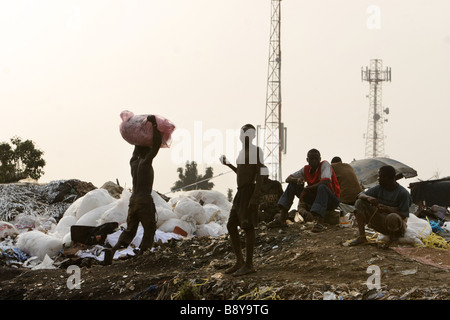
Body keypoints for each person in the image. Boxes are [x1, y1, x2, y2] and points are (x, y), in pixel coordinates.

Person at [104, 115, 162, 265]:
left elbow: (137, 147)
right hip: (144, 199)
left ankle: (113, 250)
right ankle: (144, 254)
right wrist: (154, 125)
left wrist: (139, 136)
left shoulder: (134, 162)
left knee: (130, 230)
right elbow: (156, 145)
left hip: (133, 199)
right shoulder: (146, 162)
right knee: (149, 229)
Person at [220, 124, 264, 276]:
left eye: (246, 133)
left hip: (249, 192)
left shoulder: (256, 151)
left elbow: (261, 173)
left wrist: (255, 196)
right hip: (240, 193)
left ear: (252, 136)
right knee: (231, 225)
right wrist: (229, 164)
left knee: (247, 226)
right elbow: (240, 172)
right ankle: (240, 261)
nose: (242, 136)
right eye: (241, 133)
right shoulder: (241, 153)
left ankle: (249, 264)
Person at [269, 149, 340, 232]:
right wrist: (297, 180)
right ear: (307, 160)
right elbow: (288, 179)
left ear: (320, 159)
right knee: (292, 185)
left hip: (331, 200)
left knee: (322, 187)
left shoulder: (324, 165)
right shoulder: (306, 170)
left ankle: (320, 223)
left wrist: (307, 189)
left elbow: (326, 181)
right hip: (316, 198)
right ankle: (282, 219)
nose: (314, 161)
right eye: (311, 159)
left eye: (316, 159)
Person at [349, 165, 412, 247]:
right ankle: (362, 237)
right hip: (381, 222)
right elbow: (359, 195)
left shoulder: (402, 193)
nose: (378, 178)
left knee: (392, 217)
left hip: (397, 227)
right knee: (360, 202)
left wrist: (387, 209)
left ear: (390, 178)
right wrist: (368, 198)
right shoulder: (379, 188)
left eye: (381, 176)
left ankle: (393, 240)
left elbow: (404, 215)